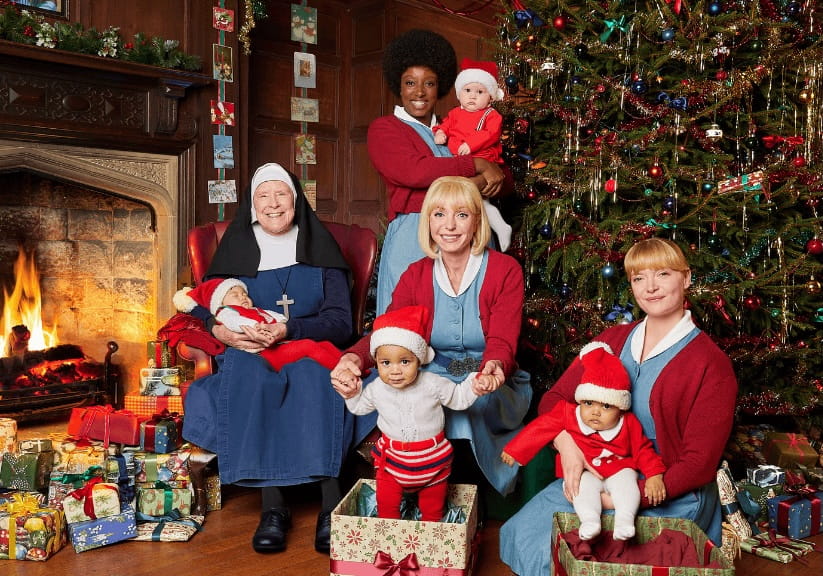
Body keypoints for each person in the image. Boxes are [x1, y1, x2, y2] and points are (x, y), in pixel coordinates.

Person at [499, 238, 738, 576]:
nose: (651, 287)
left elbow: (698, 464)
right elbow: (554, 401)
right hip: (596, 476)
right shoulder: (611, 341)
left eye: (663, 274)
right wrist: (566, 445)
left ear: (686, 279)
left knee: (600, 556)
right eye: (639, 278)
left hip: (664, 491)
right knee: (529, 536)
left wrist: (620, 498)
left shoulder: (710, 364)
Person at [181, 162, 370, 555]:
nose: (272, 204)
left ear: (295, 199)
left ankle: (330, 504)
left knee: (315, 373)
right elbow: (201, 310)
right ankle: (273, 508)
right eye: (262, 195)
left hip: (307, 347)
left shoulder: (321, 251)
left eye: (280, 194)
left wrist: (290, 329)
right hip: (255, 355)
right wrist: (221, 331)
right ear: (252, 204)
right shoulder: (235, 251)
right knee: (250, 373)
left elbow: (340, 323)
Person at [331, 176, 532, 502]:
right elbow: (385, 335)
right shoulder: (415, 274)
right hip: (433, 372)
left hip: (491, 377)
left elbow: (502, 339)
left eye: (461, 214)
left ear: (477, 221)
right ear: (428, 222)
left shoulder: (504, 270)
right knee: (421, 396)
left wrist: (494, 367)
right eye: (439, 214)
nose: (449, 225)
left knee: (464, 406)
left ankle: (465, 509)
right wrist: (354, 358)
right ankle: (420, 498)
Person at [368, 28, 512, 316]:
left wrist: (486, 173)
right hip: (413, 239)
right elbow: (412, 171)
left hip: (469, 236)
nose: (419, 93)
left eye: (429, 84)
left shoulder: (454, 128)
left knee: (467, 322)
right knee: (409, 325)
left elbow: (502, 175)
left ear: (442, 87)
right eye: (410, 83)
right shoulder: (385, 128)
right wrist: (475, 167)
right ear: (398, 85)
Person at [334, 304, 497, 521]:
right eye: (385, 363)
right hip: (391, 462)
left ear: (419, 360)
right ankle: (391, 543)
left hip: (432, 462)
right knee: (387, 509)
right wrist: (352, 392)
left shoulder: (433, 383)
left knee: (433, 511)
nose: (395, 370)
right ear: (377, 363)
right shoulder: (376, 388)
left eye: (404, 361)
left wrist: (475, 384)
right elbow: (359, 407)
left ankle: (428, 546)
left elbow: (458, 398)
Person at [501, 341, 667, 542]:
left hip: (619, 467)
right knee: (580, 489)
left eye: (606, 406)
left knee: (627, 486)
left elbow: (643, 450)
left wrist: (654, 475)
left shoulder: (627, 423)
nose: (595, 412)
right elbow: (541, 427)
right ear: (580, 400)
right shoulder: (568, 413)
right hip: (586, 472)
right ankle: (590, 520)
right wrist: (515, 450)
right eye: (589, 403)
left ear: (620, 408)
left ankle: (625, 520)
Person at [173, 277, 342, 371]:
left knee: (324, 344)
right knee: (307, 347)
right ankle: (343, 372)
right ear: (220, 302)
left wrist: (284, 325)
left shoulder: (257, 310)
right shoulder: (225, 311)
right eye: (235, 294)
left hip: (280, 343)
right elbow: (235, 323)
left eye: (244, 294)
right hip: (263, 354)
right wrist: (255, 328)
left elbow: (276, 317)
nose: (242, 297)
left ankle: (350, 365)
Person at [433, 58, 512, 251]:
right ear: (459, 94)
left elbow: (490, 133)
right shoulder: (455, 114)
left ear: (490, 97)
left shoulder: (491, 115)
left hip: (484, 157)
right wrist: (440, 132)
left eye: (480, 92)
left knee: (469, 193)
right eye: (467, 91)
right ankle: (498, 227)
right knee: (472, 199)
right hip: (461, 160)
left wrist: (470, 143)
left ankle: (492, 228)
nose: (472, 96)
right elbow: (445, 126)